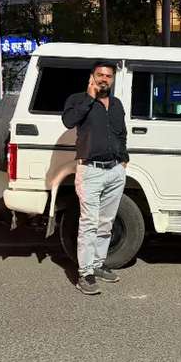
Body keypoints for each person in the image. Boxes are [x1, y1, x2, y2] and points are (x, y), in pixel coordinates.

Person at [61, 60, 129, 295]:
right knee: (89, 223)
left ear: (112, 79)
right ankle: (85, 273)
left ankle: (98, 264)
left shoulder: (117, 104)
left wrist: (124, 158)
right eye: (100, 75)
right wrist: (90, 98)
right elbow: (69, 121)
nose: (104, 79)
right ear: (92, 76)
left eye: (108, 76)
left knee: (106, 222)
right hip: (90, 170)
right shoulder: (78, 100)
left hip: (115, 171)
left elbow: (121, 133)